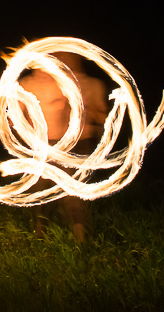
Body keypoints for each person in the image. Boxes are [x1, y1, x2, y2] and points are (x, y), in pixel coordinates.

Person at [17, 52, 108, 242]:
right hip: (40, 147)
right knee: (41, 192)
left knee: (71, 194)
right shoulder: (26, 84)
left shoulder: (61, 83)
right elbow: (17, 112)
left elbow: (76, 113)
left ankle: (81, 239)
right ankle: (40, 234)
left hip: (66, 146)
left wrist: (90, 118)